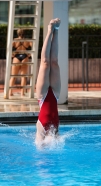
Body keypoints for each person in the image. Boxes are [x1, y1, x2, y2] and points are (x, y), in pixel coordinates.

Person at [35, 18, 61, 146]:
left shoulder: (41, 131)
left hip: (43, 96)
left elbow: (38, 146)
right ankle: (56, 30)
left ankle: (49, 30)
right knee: (54, 63)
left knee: (45, 64)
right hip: (55, 95)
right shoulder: (56, 133)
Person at [9, 28, 32, 96]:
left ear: (17, 33)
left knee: (13, 76)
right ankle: (22, 93)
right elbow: (34, 47)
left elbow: (9, 48)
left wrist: (12, 55)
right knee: (23, 76)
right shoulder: (27, 40)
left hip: (16, 57)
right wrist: (29, 54)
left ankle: (10, 92)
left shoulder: (15, 40)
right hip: (25, 57)